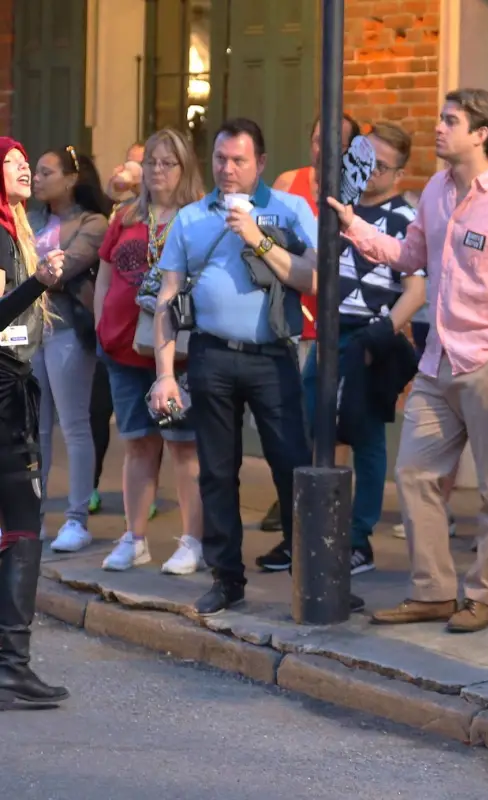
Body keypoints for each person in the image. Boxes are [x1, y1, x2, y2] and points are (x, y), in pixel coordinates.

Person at [329, 89, 488, 633]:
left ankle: (484, 596)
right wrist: (355, 226)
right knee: (414, 474)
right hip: (435, 361)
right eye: (441, 117)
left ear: (481, 134)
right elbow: (411, 256)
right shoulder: (435, 188)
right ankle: (433, 591)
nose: (438, 127)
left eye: (450, 120)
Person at [150, 118, 317, 615]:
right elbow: (167, 297)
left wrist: (258, 238)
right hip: (211, 355)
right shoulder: (192, 217)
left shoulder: (289, 208)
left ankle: (311, 579)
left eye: (239, 160)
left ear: (260, 163)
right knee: (218, 472)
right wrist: (163, 374)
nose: (227, 169)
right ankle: (227, 579)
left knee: (292, 466)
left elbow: (315, 276)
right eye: (220, 159)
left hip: (271, 356)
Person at [293, 122, 425, 576]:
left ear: (399, 174)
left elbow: (416, 290)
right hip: (328, 331)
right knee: (313, 419)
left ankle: (357, 540)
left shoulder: (403, 218)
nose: (369, 173)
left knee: (365, 433)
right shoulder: (337, 206)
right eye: (364, 160)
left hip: (369, 335)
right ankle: (319, 527)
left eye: (381, 166)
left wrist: (383, 332)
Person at [94, 128, 207, 574]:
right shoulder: (125, 216)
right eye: (152, 163)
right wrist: (103, 323)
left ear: (185, 168)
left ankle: (192, 541)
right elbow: (105, 273)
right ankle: (134, 537)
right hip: (122, 348)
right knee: (138, 444)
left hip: (174, 354)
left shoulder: (197, 218)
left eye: (168, 163)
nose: (158, 171)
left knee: (182, 446)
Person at [260, 113, 361, 535]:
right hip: (292, 317)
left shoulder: (358, 191)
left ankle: (333, 502)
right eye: (319, 139)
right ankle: (293, 495)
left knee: (333, 420)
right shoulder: (288, 183)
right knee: (290, 417)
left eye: (335, 141)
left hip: (339, 322)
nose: (324, 149)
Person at [0, 136, 69, 707]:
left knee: (16, 524)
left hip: (12, 387)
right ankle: (11, 667)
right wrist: (38, 283)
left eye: (27, 161)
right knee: (22, 524)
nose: (24, 168)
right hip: (2, 393)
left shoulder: (17, 228)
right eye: (13, 162)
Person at [29, 146, 110, 551]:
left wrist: (35, 272)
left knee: (75, 425)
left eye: (46, 172)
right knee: (34, 429)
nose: (36, 178)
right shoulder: (31, 219)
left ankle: (76, 518)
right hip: (31, 333)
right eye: (34, 172)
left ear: (70, 178)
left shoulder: (93, 223)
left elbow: (64, 269)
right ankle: (32, 518)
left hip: (67, 332)